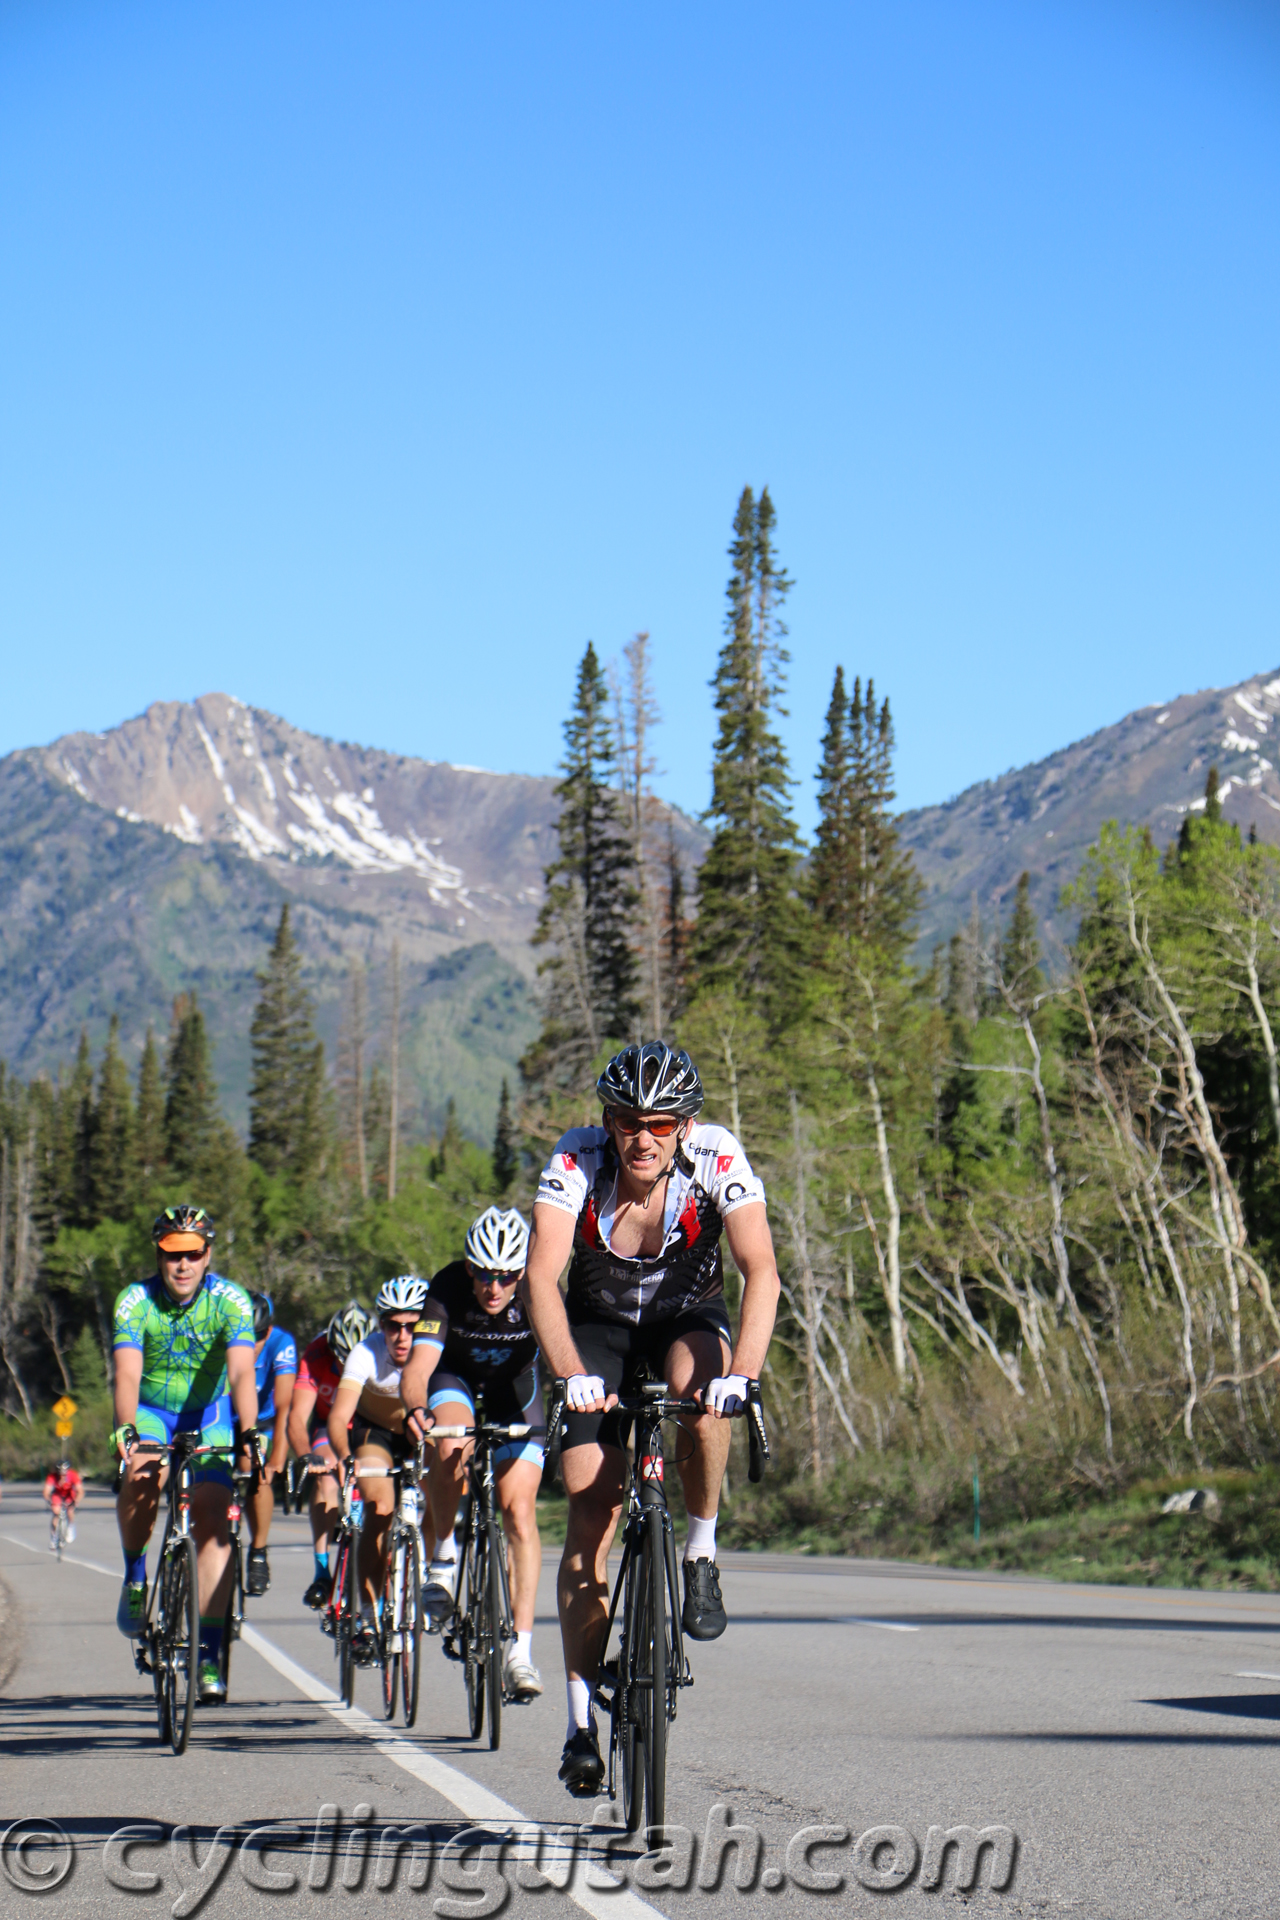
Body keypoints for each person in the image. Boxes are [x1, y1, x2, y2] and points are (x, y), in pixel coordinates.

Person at [523, 1040, 781, 1795]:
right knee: (587, 1513)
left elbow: (760, 1271)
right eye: (628, 1121)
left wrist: (744, 1376)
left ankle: (699, 1552)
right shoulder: (576, 1162)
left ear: (684, 1127)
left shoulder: (716, 1156)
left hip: (684, 1319)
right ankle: (579, 1725)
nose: (643, 1138)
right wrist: (569, 1376)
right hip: (596, 1329)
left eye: (661, 1125)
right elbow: (541, 1276)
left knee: (703, 1410)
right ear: (607, 1121)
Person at [112, 1205, 258, 1704]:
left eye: (193, 1254)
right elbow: (127, 1374)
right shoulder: (135, 1301)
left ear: (208, 1254)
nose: (182, 1265)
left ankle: (209, 1654)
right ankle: (135, 1573)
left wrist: (251, 1430)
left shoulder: (231, 1301)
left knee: (215, 1520)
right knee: (142, 1474)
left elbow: (241, 1373)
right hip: (152, 1411)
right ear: (158, 1255)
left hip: (209, 1415)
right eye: (172, 1255)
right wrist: (127, 1428)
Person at [401, 1206, 545, 1702]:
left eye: (507, 1276)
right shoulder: (445, 1288)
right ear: (468, 1268)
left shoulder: (539, 1287)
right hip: (453, 1378)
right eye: (484, 1274)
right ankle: (443, 1554)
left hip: (517, 1390)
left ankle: (520, 1653)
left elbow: (570, 1357)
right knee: (450, 1440)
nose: (494, 1288)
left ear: (522, 1271)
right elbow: (419, 1366)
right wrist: (416, 1406)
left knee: (518, 1511)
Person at [327, 1277, 427, 1661]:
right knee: (378, 1508)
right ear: (380, 1326)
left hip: (420, 1431)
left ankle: (437, 1578)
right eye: (393, 1325)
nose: (402, 1336)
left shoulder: (434, 1352)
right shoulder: (365, 1354)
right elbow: (339, 1418)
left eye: (412, 1325)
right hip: (377, 1435)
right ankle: (368, 1616)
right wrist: (342, 1455)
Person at [287, 1303, 374, 1609]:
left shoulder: (381, 1352)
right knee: (326, 1480)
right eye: (340, 1359)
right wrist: (306, 1456)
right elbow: (297, 1417)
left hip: (366, 1426)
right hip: (327, 1426)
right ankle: (322, 1569)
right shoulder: (315, 1354)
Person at [242, 1291, 297, 1597]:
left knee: (258, 1469)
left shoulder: (281, 1344)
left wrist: (278, 1456)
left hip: (265, 1421)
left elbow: (286, 1405)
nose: (253, 1344)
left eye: (259, 1335)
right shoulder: (223, 1342)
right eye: (246, 1336)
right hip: (230, 1418)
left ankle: (259, 1551)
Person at [44, 1460, 84, 1547]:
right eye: (60, 1474)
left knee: (70, 1510)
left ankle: (70, 1527)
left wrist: (76, 1501)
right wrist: (50, 1501)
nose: (62, 1476)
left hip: (69, 1494)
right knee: (56, 1512)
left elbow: (80, 1491)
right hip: (57, 1494)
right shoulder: (52, 1477)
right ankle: (54, 1537)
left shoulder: (73, 1475)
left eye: (64, 1474)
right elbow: (46, 1492)